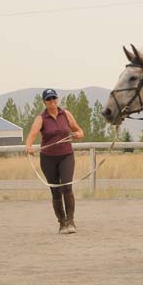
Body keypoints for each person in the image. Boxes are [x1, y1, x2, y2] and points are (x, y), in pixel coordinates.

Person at [26, 89, 84, 234]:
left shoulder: (66, 114)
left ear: (57, 99)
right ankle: (62, 222)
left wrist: (78, 134)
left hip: (66, 156)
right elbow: (32, 134)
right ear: (44, 102)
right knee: (55, 191)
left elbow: (79, 131)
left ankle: (71, 221)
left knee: (67, 187)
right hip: (48, 158)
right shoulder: (41, 118)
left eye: (54, 98)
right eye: (49, 99)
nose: (52, 101)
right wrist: (29, 147)